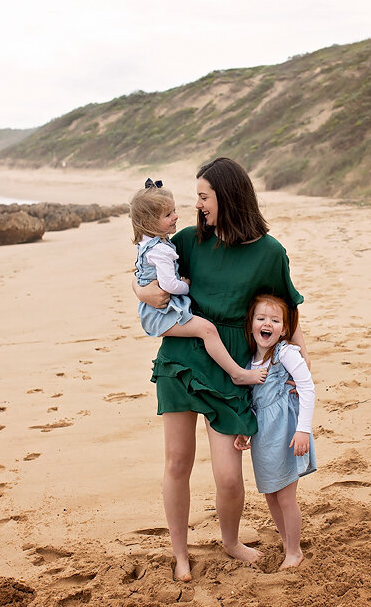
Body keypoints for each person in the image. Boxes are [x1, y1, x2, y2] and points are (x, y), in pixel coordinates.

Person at [133, 157, 307, 581]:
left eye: (204, 196)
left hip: (230, 366)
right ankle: (179, 555)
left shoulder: (270, 253)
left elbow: (292, 316)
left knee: (229, 478)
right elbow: (147, 271)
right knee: (177, 461)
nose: (197, 205)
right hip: (180, 357)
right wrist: (137, 288)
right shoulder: (189, 241)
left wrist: (304, 379)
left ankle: (230, 541)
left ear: (227, 198)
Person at [130, 179, 267, 386]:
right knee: (207, 330)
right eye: (168, 214)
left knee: (204, 330)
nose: (176, 216)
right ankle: (236, 373)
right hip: (159, 314)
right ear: (149, 222)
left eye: (173, 210)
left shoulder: (151, 244)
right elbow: (168, 285)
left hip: (154, 312)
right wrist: (186, 286)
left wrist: (140, 291)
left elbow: (140, 273)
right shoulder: (162, 250)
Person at [234, 294, 316, 570]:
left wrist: (303, 429)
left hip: (287, 434)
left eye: (275, 320)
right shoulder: (249, 364)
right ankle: (286, 539)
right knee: (270, 492)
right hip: (263, 437)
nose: (267, 323)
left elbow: (307, 388)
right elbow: (254, 404)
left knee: (285, 495)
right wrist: (245, 431)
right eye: (261, 318)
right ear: (251, 324)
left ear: (284, 328)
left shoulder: (285, 353)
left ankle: (294, 550)